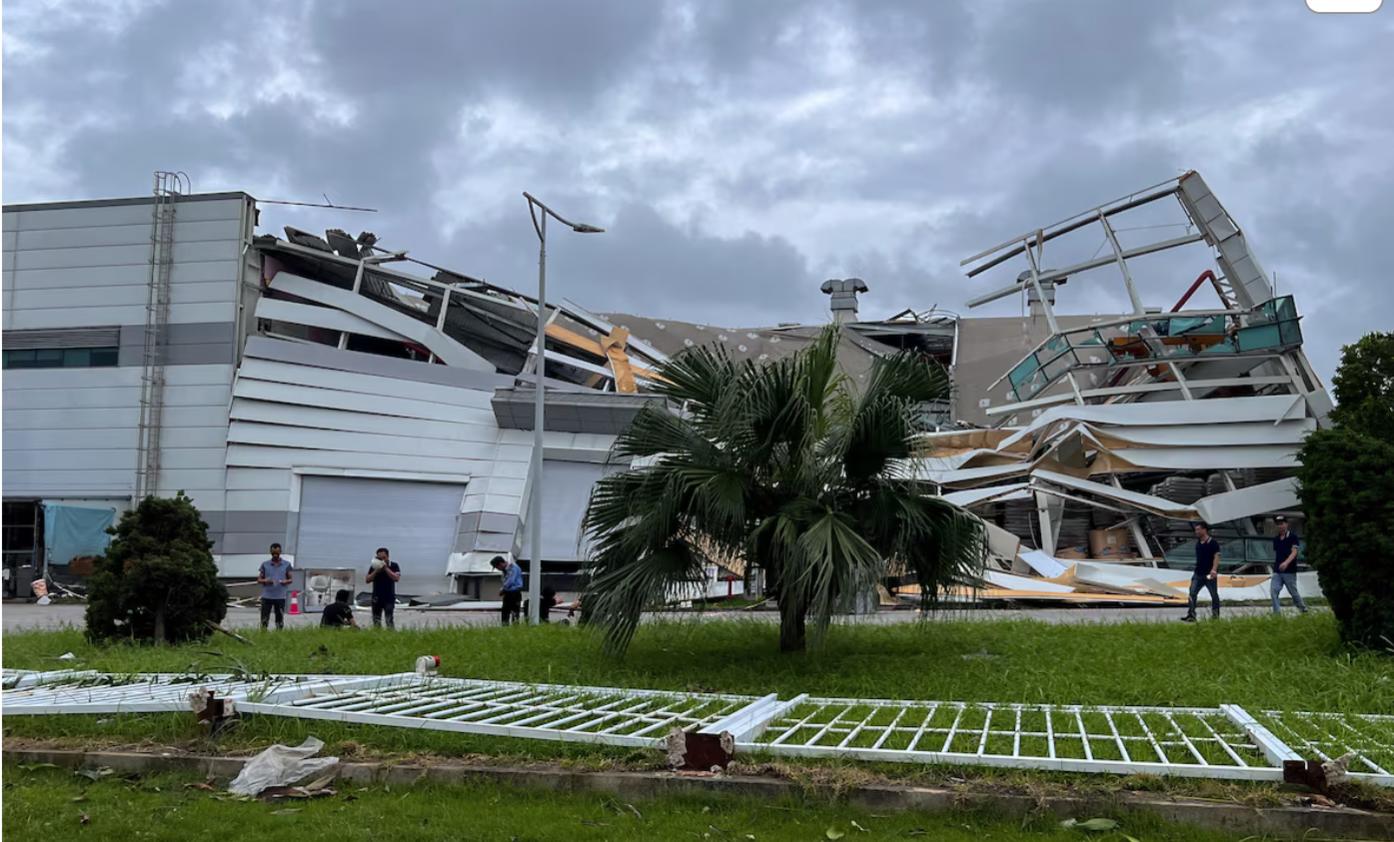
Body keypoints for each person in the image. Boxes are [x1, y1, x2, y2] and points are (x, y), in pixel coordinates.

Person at [1182, 522, 1221, 622]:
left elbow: (1217, 556)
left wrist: (1214, 569)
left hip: (1209, 573)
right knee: (1192, 593)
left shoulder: (1212, 543)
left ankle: (1215, 615)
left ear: (1204, 530)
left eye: (1198, 529)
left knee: (1214, 594)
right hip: (1198, 573)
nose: (1197, 532)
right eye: (1196, 530)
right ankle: (1191, 614)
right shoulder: (1198, 543)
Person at [1270, 515, 1308, 615]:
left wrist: (1286, 563)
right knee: (1273, 591)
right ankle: (1277, 614)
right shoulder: (1276, 539)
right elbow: (1277, 553)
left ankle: (1303, 609)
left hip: (1289, 570)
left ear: (1286, 524)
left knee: (1293, 592)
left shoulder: (1293, 537)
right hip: (1277, 570)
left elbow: (1294, 552)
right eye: (1278, 524)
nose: (1280, 526)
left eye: (1282, 524)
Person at [257, 543, 294, 630]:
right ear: (270, 552)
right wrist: (266, 581)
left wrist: (285, 581)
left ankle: (279, 634)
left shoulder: (286, 564)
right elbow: (259, 580)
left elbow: (290, 579)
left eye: (277, 553)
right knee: (264, 619)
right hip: (267, 596)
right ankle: (263, 634)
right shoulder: (265, 564)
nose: (275, 555)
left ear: (280, 552)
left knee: (279, 619)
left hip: (280, 597)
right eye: (273, 553)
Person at [365, 547, 401, 629]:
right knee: (376, 620)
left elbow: (396, 578)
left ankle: (391, 634)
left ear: (388, 557)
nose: (382, 560)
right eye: (379, 558)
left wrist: (385, 568)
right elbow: (367, 580)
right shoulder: (374, 566)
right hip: (376, 597)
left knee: (389, 619)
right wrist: (376, 571)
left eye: (384, 558)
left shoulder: (394, 565)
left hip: (389, 597)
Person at [490, 555, 523, 625]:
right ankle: (505, 627)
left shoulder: (512, 568)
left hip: (514, 592)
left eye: (497, 567)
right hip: (507, 593)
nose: (498, 569)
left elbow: (511, 581)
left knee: (515, 613)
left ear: (500, 564)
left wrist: (503, 589)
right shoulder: (505, 570)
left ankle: (515, 628)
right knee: (505, 612)